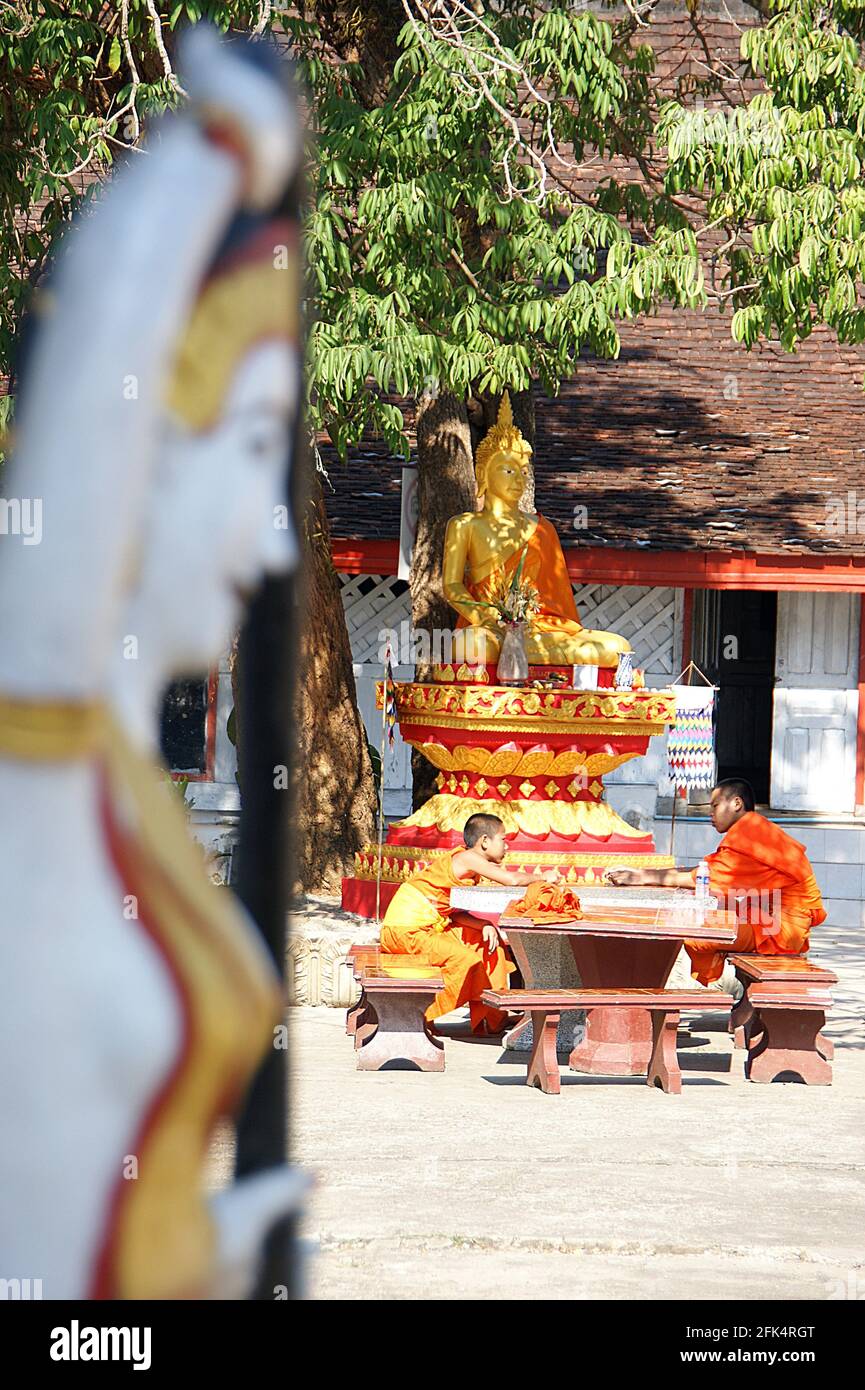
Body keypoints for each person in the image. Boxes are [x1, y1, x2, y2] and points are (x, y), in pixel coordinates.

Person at [606, 778, 826, 986]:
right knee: (699, 925)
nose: (710, 814)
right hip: (770, 916)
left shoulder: (750, 834)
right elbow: (705, 871)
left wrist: (643, 877)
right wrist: (646, 873)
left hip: (782, 929)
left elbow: (704, 878)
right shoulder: (753, 829)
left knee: (696, 932)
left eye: (715, 806)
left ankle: (654, 991)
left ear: (736, 803)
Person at [380, 812, 559, 1034]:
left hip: (429, 928)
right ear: (484, 841)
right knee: (467, 961)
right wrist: (544, 877)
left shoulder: (467, 864)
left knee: (487, 943)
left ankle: (492, 1017)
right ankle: (416, 1016)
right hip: (405, 933)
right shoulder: (468, 858)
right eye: (503, 839)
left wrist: (484, 924)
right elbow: (511, 880)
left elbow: (452, 912)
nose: (507, 846)